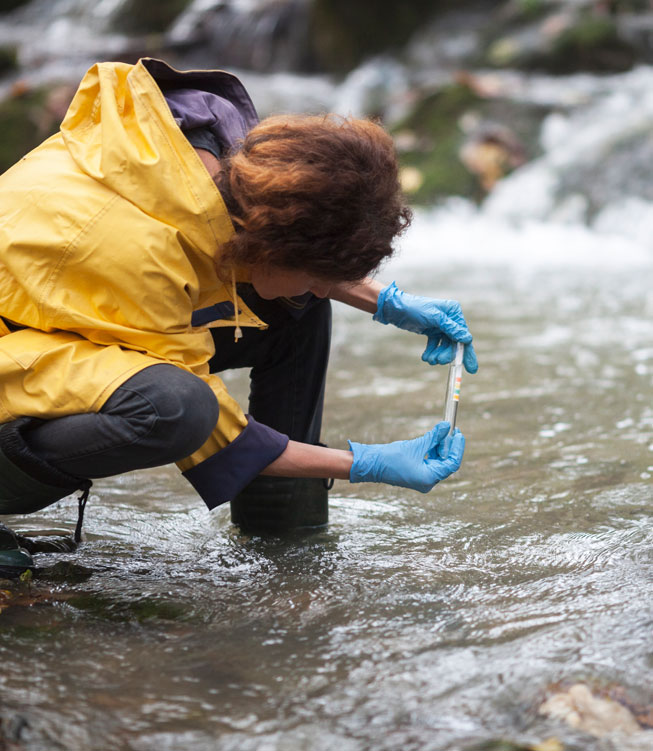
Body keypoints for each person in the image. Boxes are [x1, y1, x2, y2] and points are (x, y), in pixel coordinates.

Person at [0, 58, 477, 577]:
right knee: (177, 408)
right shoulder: (140, 253)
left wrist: (388, 302)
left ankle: (283, 534)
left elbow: (282, 263)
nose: (324, 286)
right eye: (316, 272)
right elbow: (217, 433)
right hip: (23, 343)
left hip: (50, 324)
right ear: (267, 245)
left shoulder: (217, 164)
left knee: (298, 305)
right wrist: (366, 464)